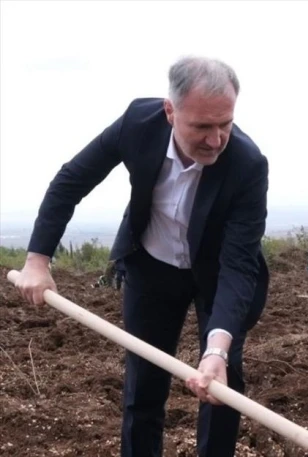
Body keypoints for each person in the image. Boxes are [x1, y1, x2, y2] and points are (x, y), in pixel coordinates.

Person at [13, 56, 270, 457]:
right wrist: (37, 260)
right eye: (202, 126)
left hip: (219, 277)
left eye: (226, 124)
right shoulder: (138, 123)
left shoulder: (248, 164)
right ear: (170, 111)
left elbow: (239, 264)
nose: (216, 139)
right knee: (143, 388)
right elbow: (71, 180)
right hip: (152, 269)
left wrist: (216, 350)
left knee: (222, 386)